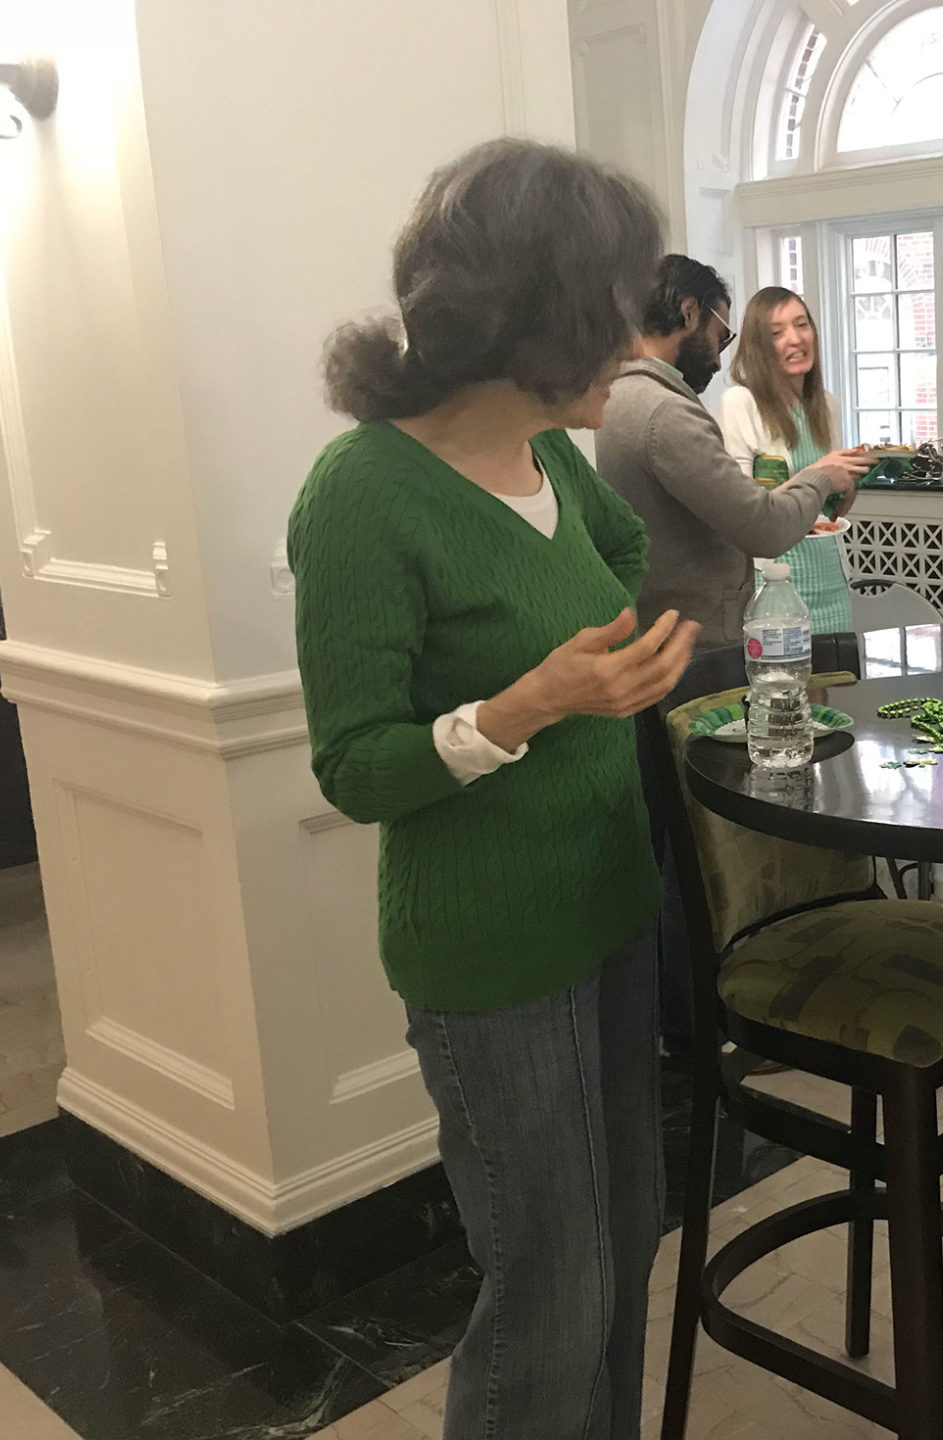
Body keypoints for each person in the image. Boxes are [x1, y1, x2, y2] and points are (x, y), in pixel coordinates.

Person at [288, 139, 700, 1440]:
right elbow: (355, 768)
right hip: (486, 951)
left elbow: (617, 554)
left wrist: (624, 651)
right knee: (547, 1287)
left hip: (608, 904)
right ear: (538, 320)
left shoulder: (552, 456)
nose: (636, 347)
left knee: (624, 1241)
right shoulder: (361, 494)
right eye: (615, 315)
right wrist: (530, 704)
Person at [599, 255, 869, 649]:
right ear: (690, 314)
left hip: (675, 629)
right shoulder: (665, 412)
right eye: (720, 335)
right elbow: (760, 525)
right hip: (696, 633)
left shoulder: (630, 396)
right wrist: (822, 475)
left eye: (802, 324)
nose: (717, 355)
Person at [718, 286, 864, 632]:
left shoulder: (826, 405)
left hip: (831, 583)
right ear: (759, 346)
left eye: (802, 325)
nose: (795, 339)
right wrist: (818, 474)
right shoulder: (741, 403)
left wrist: (847, 487)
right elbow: (739, 514)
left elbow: (819, 508)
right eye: (777, 332)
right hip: (774, 589)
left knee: (839, 685)